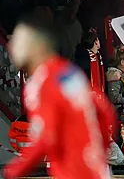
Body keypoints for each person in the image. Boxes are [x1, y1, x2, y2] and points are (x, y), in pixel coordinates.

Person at [2, 15, 116, 179]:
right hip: (98, 169)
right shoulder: (68, 72)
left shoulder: (40, 85)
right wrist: (101, 148)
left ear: (35, 48)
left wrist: (15, 170)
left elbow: (47, 137)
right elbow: (105, 112)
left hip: (71, 171)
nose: (12, 48)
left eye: (19, 43)